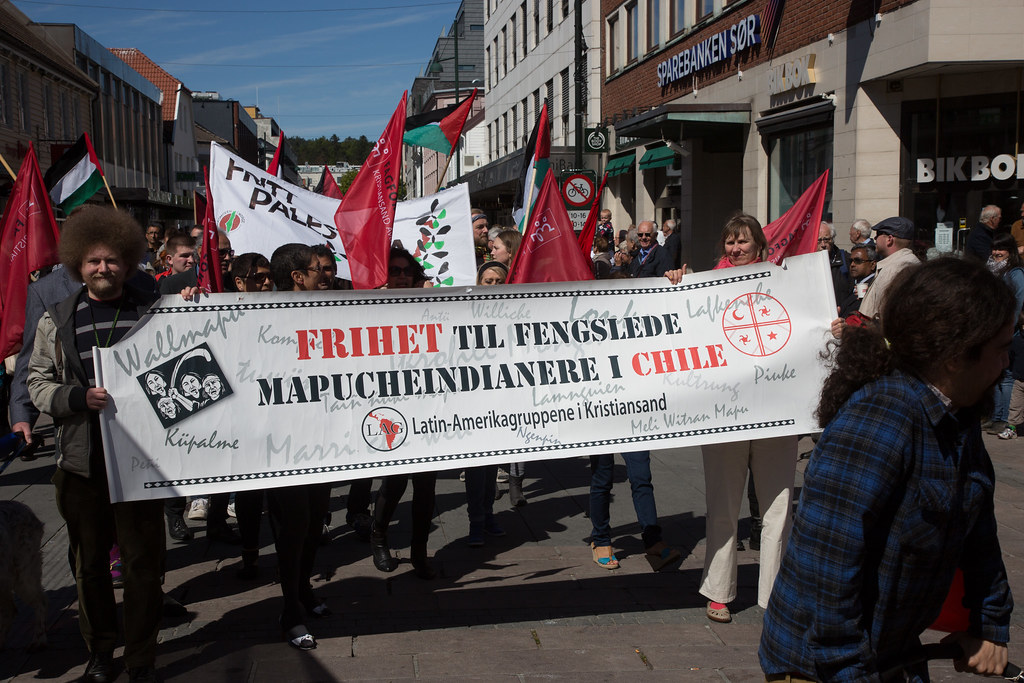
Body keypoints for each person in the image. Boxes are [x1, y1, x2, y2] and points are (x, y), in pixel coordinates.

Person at [760, 257, 1015, 681]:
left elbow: (979, 532)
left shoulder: (959, 416)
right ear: (954, 356)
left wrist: (989, 625)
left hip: (892, 653)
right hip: (823, 667)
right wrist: (851, 671)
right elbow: (826, 569)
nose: (1007, 364)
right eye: (1001, 349)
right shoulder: (881, 418)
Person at [27, 206, 164, 683]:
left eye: (111, 261)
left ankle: (142, 657)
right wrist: (76, 397)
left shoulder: (154, 313)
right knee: (89, 569)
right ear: (76, 266)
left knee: (145, 567)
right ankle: (102, 654)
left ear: (128, 263)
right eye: (92, 262)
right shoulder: (56, 319)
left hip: (143, 464)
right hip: (82, 463)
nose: (103, 268)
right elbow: (36, 382)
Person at [691, 213, 798, 623]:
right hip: (725, 413)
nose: (736, 249)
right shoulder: (705, 286)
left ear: (761, 247)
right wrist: (673, 286)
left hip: (775, 411)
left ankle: (774, 595)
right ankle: (718, 590)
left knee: (777, 508)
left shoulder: (783, 283)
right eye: (730, 242)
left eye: (744, 243)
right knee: (722, 504)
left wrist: (833, 326)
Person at [264, 243, 332, 650]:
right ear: (296, 277)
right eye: (316, 269)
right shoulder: (260, 314)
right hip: (281, 444)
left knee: (312, 523)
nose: (325, 275)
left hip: (323, 439)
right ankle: (290, 611)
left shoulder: (327, 307)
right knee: (291, 527)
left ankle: (304, 590)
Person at [371, 247, 439, 579]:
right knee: (394, 483)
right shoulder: (370, 306)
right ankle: (379, 538)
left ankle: (419, 550)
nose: (401, 276)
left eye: (405, 271)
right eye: (394, 271)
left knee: (427, 487)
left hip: (425, 407)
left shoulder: (429, 308)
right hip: (389, 408)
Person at [462, 262, 511, 546]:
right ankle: (475, 522)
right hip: (472, 400)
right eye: (487, 281)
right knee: (475, 466)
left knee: (492, 463)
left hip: (500, 397)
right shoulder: (465, 309)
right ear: (478, 282)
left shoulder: (513, 309)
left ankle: (488, 514)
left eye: (498, 282)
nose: (493, 286)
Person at [984, 233, 1024, 437]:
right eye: (994, 248)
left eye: (1001, 249)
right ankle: (996, 416)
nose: (996, 252)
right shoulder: (995, 270)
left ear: (1010, 252)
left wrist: (1007, 328)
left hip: (1009, 330)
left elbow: (1017, 304)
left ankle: (1004, 420)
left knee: (1007, 376)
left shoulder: (1015, 273)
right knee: (998, 374)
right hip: (994, 327)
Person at [858, 216, 921, 320]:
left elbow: (885, 314)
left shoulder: (895, 268)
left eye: (878, 235)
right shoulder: (909, 263)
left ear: (889, 239)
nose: (875, 239)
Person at [837, 244, 877, 320]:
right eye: (850, 261)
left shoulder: (874, 286)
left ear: (872, 265)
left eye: (858, 261)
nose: (852, 264)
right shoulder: (852, 284)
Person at [818, 221, 853, 306]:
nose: (823, 244)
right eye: (818, 240)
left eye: (826, 239)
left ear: (832, 239)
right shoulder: (806, 262)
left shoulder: (847, 260)